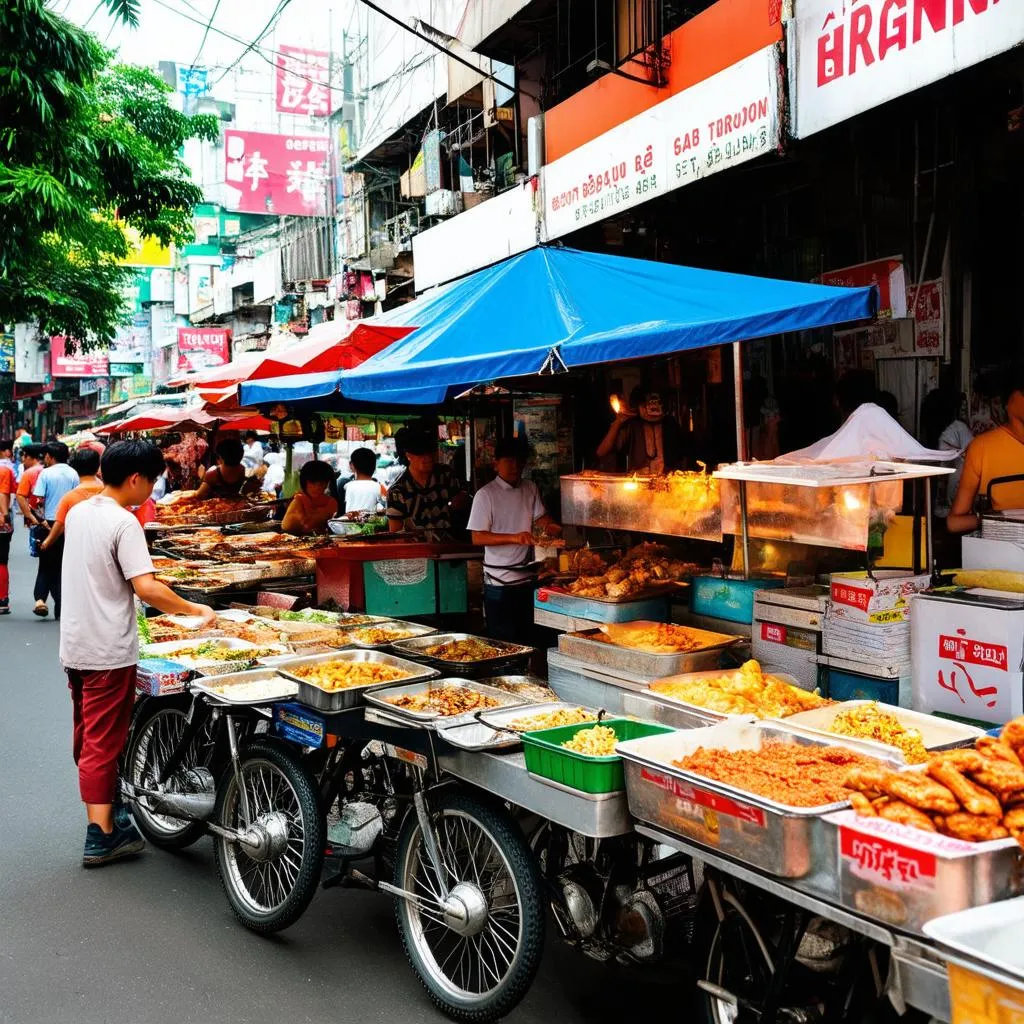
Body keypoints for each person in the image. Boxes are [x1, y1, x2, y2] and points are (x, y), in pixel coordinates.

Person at [61, 439, 215, 867]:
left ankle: (109, 815)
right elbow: (145, 586)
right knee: (102, 743)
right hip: (108, 650)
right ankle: (101, 834)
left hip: (76, 644)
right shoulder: (124, 522)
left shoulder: (79, 512)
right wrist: (193, 608)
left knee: (88, 735)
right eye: (152, 481)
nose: (152, 489)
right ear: (135, 479)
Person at [467, 438, 561, 644]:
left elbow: (542, 519)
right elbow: (477, 537)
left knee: (528, 640)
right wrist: (515, 537)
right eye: (509, 461)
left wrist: (554, 528)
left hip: (527, 580)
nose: (515, 466)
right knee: (504, 643)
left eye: (519, 461)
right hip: (498, 583)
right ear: (496, 464)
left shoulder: (530, 488)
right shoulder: (486, 495)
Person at [948, 371, 1024, 533]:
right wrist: (996, 521)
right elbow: (954, 523)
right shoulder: (982, 448)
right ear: (1009, 402)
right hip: (999, 549)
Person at [386, 427, 469, 534]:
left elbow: (462, 504)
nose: (428, 457)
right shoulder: (397, 491)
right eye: (421, 454)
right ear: (408, 456)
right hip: (416, 547)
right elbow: (395, 532)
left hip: (450, 545)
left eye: (430, 453)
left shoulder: (446, 476)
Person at [32, 442, 80, 619]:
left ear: (50, 457)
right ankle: (61, 606)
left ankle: (40, 599)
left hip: (49, 523)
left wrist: (40, 520)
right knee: (62, 566)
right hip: (69, 523)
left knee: (45, 564)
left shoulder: (46, 473)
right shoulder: (73, 474)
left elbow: (37, 501)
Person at [596, 386, 688, 474]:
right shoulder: (633, 425)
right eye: (646, 405)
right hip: (639, 481)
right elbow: (602, 452)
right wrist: (618, 422)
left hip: (667, 481)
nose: (652, 409)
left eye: (657, 404)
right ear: (638, 407)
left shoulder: (670, 424)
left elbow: (683, 455)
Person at [40, 447, 105, 554]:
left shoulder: (69, 497)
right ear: (98, 466)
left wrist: (46, 543)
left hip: (77, 549)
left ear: (75, 468)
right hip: (103, 548)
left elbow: (60, 524)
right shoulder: (108, 492)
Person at [281, 460, 339, 535]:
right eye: (312, 483)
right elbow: (306, 526)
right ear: (304, 482)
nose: (317, 487)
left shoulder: (331, 502)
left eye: (322, 483)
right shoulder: (299, 499)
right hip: (293, 542)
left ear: (328, 483)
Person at [194, 438, 260, 500]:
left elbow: (199, 495)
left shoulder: (212, 475)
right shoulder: (247, 472)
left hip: (217, 509)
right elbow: (257, 493)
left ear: (220, 458)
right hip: (242, 508)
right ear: (242, 455)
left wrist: (201, 478)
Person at [344, 447, 385, 514]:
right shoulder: (380, 487)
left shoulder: (346, 486)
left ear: (351, 465)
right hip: (372, 523)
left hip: (347, 523)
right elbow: (388, 508)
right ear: (374, 467)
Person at [0, 439, 15, 615]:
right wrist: (4, 515)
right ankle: (2, 598)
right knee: (1, 560)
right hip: (1, 522)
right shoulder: (5, 471)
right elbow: (3, 494)